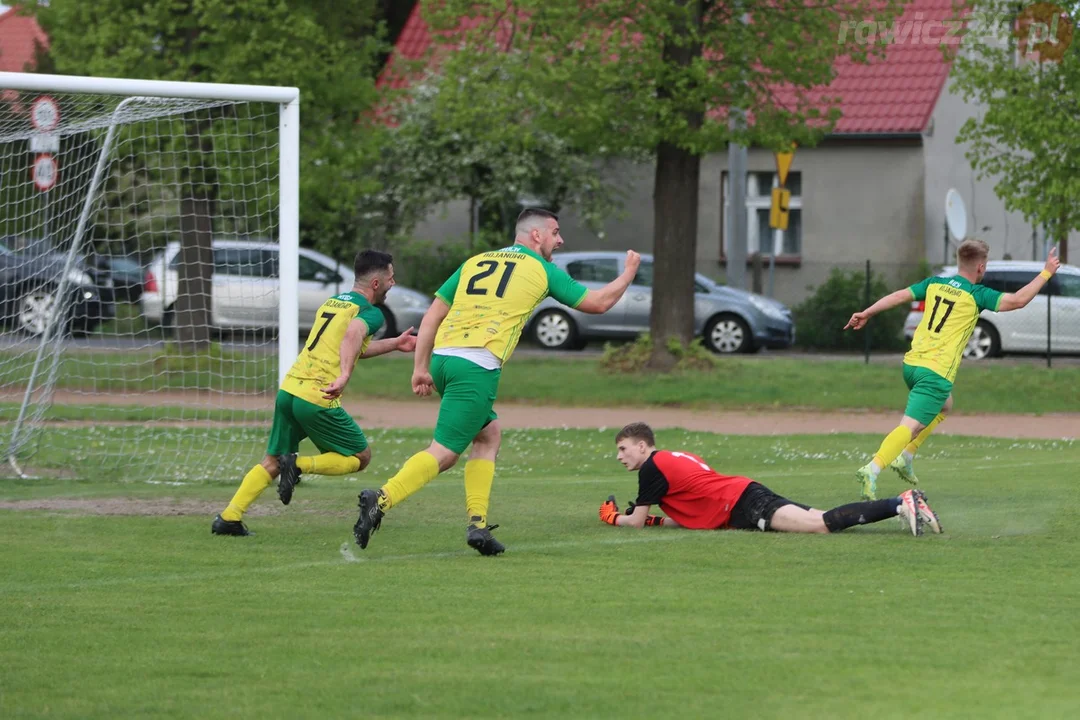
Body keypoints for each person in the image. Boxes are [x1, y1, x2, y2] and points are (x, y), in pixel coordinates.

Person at [352, 208, 642, 555]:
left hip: (445, 359)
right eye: (555, 232)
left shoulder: (476, 261)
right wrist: (628, 274)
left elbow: (433, 315)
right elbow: (598, 303)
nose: (560, 240)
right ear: (536, 235)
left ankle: (478, 527)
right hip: (476, 365)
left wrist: (421, 367)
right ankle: (380, 500)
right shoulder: (542, 269)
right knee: (444, 453)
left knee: (488, 435)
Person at [212, 250, 416, 536]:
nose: (393, 283)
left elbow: (350, 344)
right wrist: (344, 374)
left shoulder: (334, 302)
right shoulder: (370, 313)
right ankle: (297, 466)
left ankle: (229, 517)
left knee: (272, 460)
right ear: (375, 283)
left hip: (290, 390)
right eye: (391, 278)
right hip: (317, 396)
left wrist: (394, 343)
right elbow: (353, 336)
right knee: (360, 456)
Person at [844, 241, 1059, 500]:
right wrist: (1046, 272)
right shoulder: (977, 294)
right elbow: (1018, 300)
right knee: (909, 426)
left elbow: (899, 295)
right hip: (935, 373)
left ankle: (907, 457)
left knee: (946, 405)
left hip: (911, 365)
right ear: (981, 266)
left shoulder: (935, 283)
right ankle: (873, 469)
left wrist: (866, 312)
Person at [599, 422, 942, 536]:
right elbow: (690, 510)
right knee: (818, 518)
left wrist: (615, 518)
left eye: (623, 448)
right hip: (745, 493)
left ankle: (901, 502)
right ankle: (903, 504)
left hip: (746, 503)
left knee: (821, 525)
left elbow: (636, 523)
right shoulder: (670, 459)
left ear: (642, 446)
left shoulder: (650, 468)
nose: (620, 456)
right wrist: (659, 521)